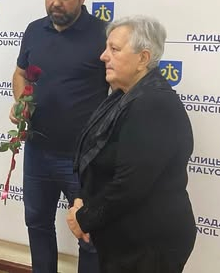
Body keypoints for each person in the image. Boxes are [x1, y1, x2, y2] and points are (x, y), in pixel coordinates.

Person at [67, 16, 196, 273]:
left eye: (114, 49)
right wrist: (83, 199)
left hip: (148, 244)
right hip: (125, 238)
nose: (103, 56)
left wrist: (84, 218)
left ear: (143, 58)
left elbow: (130, 184)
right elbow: (97, 158)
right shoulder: (123, 96)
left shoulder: (153, 104)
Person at [10, 0, 109, 273]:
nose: (56, 2)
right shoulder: (34, 30)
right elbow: (20, 73)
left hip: (83, 158)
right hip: (38, 150)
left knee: (89, 234)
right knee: (37, 223)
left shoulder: (104, 34)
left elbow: (122, 89)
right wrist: (21, 102)